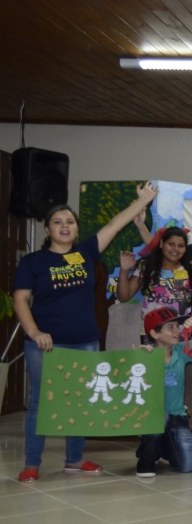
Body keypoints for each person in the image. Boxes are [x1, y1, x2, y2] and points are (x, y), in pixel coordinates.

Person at [13, 183, 159, 482]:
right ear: (47, 229)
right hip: (45, 344)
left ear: (76, 229)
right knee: (41, 402)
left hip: (85, 341)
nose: (64, 226)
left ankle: (74, 458)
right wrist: (35, 332)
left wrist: (142, 201)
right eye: (57, 221)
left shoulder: (86, 252)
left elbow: (114, 224)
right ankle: (32, 463)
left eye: (69, 221)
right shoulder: (33, 262)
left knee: (80, 400)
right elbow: (20, 300)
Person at [135, 308, 192, 477]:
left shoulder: (181, 350)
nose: (177, 331)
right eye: (170, 327)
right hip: (150, 417)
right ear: (154, 334)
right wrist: (138, 360)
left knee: (187, 465)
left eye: (178, 326)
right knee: (160, 414)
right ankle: (147, 458)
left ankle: (161, 446)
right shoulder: (145, 354)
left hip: (177, 416)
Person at [117, 227, 192, 320]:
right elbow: (123, 297)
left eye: (181, 246)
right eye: (171, 244)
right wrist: (124, 270)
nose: (176, 249)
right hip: (153, 328)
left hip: (183, 327)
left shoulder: (189, 267)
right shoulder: (146, 265)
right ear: (162, 243)